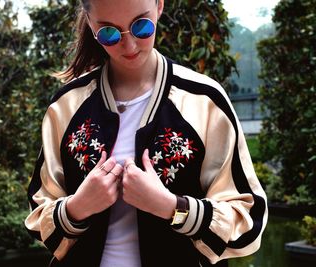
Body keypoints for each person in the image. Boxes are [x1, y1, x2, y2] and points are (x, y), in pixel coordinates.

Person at [24, 0, 268, 266]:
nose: (129, 46)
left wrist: (173, 208)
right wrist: (77, 208)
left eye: (141, 26)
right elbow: (39, 211)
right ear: (90, 23)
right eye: (109, 33)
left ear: (159, 6)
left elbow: (248, 217)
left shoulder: (204, 102)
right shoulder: (66, 106)